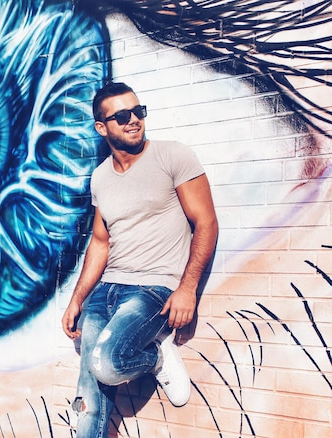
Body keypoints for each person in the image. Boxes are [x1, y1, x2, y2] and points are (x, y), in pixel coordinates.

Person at [61, 81, 218, 437]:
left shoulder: (173, 156)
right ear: (102, 127)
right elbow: (100, 243)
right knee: (88, 397)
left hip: (152, 289)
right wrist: (77, 299)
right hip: (106, 291)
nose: (133, 120)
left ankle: (157, 356)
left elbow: (205, 222)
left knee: (107, 363)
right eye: (121, 116)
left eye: (138, 111)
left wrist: (188, 288)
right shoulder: (100, 177)